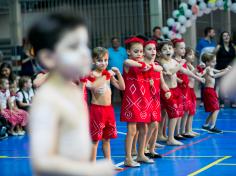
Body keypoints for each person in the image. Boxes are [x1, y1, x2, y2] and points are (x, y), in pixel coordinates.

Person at [28, 12, 114, 176]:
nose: (84, 53)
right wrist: (90, 170)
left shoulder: (73, 92)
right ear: (48, 57)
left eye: (84, 45)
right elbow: (42, 162)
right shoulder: (48, 99)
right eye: (73, 47)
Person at [158, 41, 204, 146]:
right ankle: (170, 138)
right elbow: (171, 72)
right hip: (167, 91)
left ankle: (163, 135)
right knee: (173, 115)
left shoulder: (173, 60)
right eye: (164, 49)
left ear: (173, 50)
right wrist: (180, 64)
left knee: (173, 113)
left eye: (170, 48)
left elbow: (185, 71)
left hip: (175, 90)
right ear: (160, 53)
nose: (168, 51)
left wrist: (198, 78)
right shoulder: (162, 61)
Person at [86, 47, 125, 170]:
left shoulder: (107, 74)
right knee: (95, 140)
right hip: (97, 110)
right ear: (93, 61)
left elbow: (122, 87)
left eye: (106, 60)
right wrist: (106, 76)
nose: (103, 63)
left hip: (109, 110)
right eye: (100, 60)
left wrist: (118, 73)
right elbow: (91, 86)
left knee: (107, 139)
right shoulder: (92, 74)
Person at [120, 37, 155, 167]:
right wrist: (144, 64)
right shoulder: (128, 63)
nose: (139, 54)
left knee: (144, 128)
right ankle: (128, 158)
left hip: (143, 100)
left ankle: (140, 154)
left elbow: (158, 69)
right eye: (136, 51)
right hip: (132, 100)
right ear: (129, 52)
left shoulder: (144, 65)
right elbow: (129, 62)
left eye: (141, 51)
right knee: (132, 129)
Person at [142, 40, 170, 158]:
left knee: (156, 125)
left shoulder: (158, 67)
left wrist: (167, 90)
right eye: (149, 49)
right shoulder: (142, 66)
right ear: (143, 52)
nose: (153, 51)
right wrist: (149, 83)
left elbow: (162, 83)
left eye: (154, 49)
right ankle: (143, 148)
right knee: (148, 125)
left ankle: (151, 149)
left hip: (155, 98)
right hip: (144, 99)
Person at [201, 53, 231, 133]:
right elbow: (213, 76)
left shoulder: (210, 68)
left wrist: (226, 69)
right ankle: (212, 127)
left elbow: (219, 71)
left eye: (215, 61)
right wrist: (224, 73)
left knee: (214, 109)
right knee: (216, 108)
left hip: (211, 90)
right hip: (208, 91)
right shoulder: (207, 69)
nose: (215, 63)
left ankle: (206, 125)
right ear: (207, 62)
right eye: (213, 62)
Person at [214, 31, 236, 107]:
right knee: (221, 85)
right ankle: (222, 102)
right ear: (222, 38)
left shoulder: (233, 46)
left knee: (233, 85)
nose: (226, 37)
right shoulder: (219, 47)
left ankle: (233, 102)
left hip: (231, 69)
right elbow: (212, 56)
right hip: (221, 68)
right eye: (224, 36)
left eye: (227, 36)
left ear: (230, 37)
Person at [108, 37, 127, 102]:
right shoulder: (108, 51)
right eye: (113, 42)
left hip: (121, 74)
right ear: (111, 43)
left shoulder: (123, 50)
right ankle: (110, 103)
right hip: (111, 74)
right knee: (110, 90)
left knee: (122, 90)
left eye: (116, 41)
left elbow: (126, 61)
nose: (115, 43)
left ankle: (124, 103)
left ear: (119, 42)